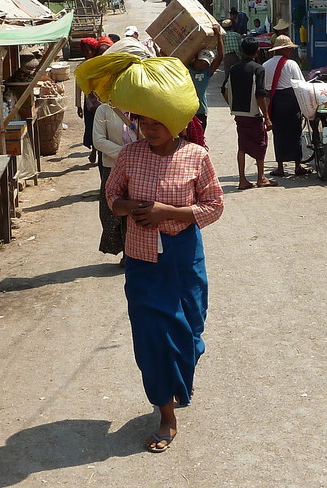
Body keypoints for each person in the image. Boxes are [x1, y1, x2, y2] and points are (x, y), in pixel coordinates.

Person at [106, 114, 224, 453]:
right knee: (152, 339)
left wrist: (166, 211)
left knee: (190, 332)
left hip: (184, 257)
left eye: (157, 122)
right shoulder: (129, 155)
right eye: (144, 122)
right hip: (142, 260)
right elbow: (112, 195)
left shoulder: (197, 156)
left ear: (177, 122)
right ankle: (166, 414)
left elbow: (214, 205)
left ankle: (181, 371)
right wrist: (133, 207)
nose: (149, 129)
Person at [222, 37, 274, 189]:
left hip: (239, 114)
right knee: (260, 144)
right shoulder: (258, 69)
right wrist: (267, 117)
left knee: (242, 146)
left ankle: (242, 180)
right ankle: (261, 177)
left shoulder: (233, 68)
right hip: (253, 115)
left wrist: (233, 104)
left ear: (242, 51)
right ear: (257, 51)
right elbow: (260, 94)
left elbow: (223, 90)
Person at [92, 102, 137, 262]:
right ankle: (124, 249)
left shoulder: (141, 107)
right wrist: (125, 154)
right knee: (112, 211)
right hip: (112, 167)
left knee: (135, 209)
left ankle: (131, 252)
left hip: (139, 167)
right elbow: (98, 140)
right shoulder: (104, 110)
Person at [261, 35, 310, 178]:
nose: (291, 51)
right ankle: (297, 165)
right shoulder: (291, 64)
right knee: (295, 133)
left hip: (275, 100)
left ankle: (280, 167)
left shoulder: (266, 65)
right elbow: (301, 84)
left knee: (279, 133)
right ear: (285, 49)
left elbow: (264, 88)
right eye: (289, 49)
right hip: (291, 100)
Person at [188, 31, 225, 134]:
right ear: (196, 59)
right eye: (201, 62)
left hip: (201, 112)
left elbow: (220, 57)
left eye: (206, 64)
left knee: (199, 138)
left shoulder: (207, 72)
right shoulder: (186, 69)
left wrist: (219, 36)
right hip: (187, 112)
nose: (203, 66)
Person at [75, 37, 102, 163]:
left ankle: (95, 151)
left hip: (102, 103)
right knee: (90, 127)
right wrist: (78, 105)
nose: (86, 54)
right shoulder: (82, 67)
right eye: (84, 51)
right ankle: (94, 150)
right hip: (89, 104)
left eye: (88, 51)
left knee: (100, 128)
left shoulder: (100, 65)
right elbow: (78, 86)